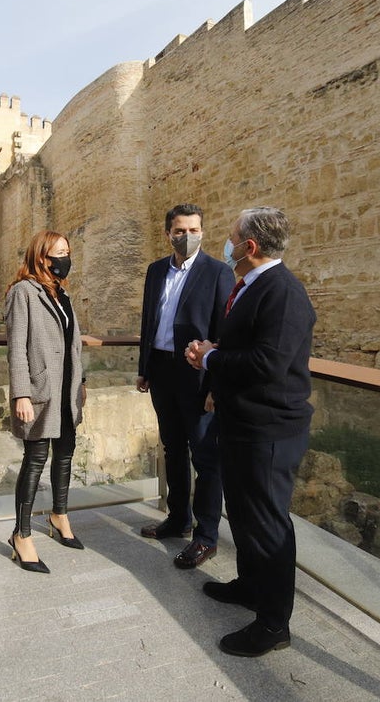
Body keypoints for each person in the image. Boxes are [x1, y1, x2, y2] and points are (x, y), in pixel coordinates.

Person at [185, 206, 316, 657]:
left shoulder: (283, 293)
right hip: (242, 424)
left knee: (267, 524)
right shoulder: (251, 287)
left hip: (269, 431)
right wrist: (217, 355)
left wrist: (210, 359)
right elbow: (249, 348)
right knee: (241, 513)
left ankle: (274, 623)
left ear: (250, 247)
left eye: (231, 237)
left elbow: (268, 364)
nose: (227, 243)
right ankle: (249, 586)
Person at [137, 203, 234, 569]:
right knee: (173, 449)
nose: (187, 236)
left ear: (202, 233)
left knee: (206, 457)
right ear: (168, 234)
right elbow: (150, 319)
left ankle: (206, 536)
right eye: (180, 230)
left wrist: (216, 387)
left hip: (197, 376)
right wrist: (144, 367)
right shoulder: (156, 270)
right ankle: (178, 518)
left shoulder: (217, 272)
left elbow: (223, 334)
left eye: (194, 230)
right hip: (162, 371)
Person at [4, 230, 87, 574]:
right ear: (42, 257)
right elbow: (17, 346)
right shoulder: (23, 292)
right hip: (40, 388)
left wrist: (81, 382)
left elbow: (74, 344)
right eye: (60, 252)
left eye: (67, 251)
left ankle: (59, 516)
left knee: (65, 452)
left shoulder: (62, 294)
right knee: (35, 458)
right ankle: (21, 535)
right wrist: (21, 392)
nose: (66, 257)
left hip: (67, 389)